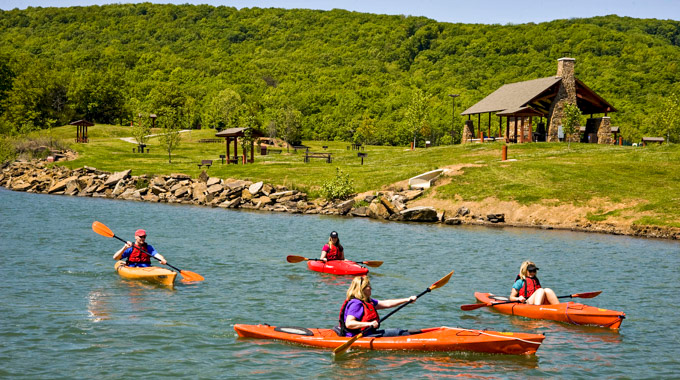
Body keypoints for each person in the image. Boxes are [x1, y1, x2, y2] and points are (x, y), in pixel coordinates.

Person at [338, 275, 417, 337]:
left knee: (399, 331)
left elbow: (387, 303)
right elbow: (349, 323)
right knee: (397, 332)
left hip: (368, 333)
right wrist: (369, 324)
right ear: (362, 289)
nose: (371, 288)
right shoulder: (356, 304)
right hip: (359, 336)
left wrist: (407, 300)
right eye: (368, 286)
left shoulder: (367, 301)